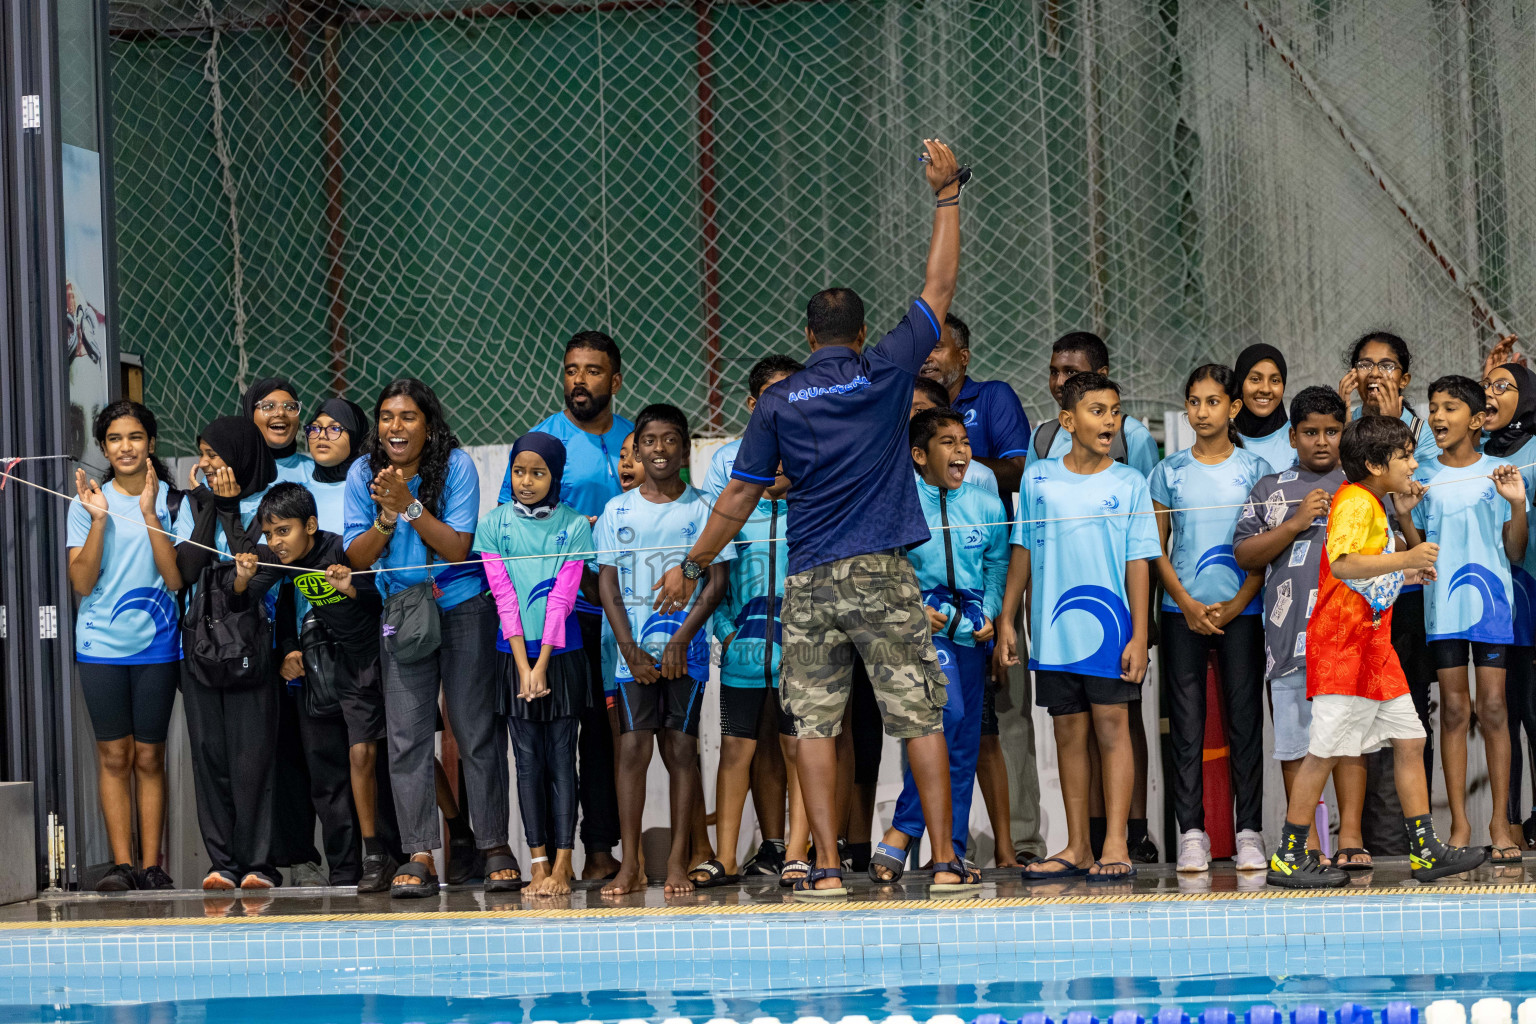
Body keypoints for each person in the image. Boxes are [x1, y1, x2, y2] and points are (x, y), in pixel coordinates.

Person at [655, 137, 979, 898]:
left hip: (808, 582)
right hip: (882, 574)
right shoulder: (887, 369)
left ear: (808, 341)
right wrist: (946, 196)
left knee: (814, 726)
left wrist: (693, 564)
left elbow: (738, 497)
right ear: (861, 335)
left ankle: (826, 867)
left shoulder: (779, 400)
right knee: (920, 719)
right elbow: (938, 287)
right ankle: (945, 863)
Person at [1267, 415, 1486, 887]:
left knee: (1410, 740)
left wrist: (1406, 572)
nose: (1413, 463)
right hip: (1344, 648)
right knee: (1324, 751)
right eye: (1405, 455)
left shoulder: (1374, 503)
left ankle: (1424, 850)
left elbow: (1370, 573)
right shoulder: (1353, 502)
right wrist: (1406, 557)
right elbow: (1344, 565)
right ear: (1374, 464)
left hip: (1374, 649)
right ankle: (1288, 854)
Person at [343, 378, 517, 898]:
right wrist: (386, 516)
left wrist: (411, 505)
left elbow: (459, 548)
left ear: (429, 424)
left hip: (462, 606)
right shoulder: (362, 473)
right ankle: (419, 853)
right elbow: (357, 559)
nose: (395, 427)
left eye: (408, 416)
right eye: (387, 417)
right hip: (402, 611)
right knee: (406, 738)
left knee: (475, 730)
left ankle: (492, 845)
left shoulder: (457, 466)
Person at [996, 371, 1160, 881]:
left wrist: (1140, 635)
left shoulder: (1129, 483)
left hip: (1110, 631)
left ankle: (1116, 843)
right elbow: (1022, 549)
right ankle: (1078, 846)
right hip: (1053, 633)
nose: (1110, 421)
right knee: (1068, 734)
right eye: (1097, 411)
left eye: (1115, 412)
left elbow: (1139, 562)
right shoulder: (1039, 478)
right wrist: (1007, 619)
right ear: (1068, 421)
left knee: (1113, 731)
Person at [500, 332, 631, 880]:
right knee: (556, 738)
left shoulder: (635, 438)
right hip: (562, 614)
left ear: (615, 380)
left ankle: (599, 848)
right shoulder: (544, 440)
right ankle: (555, 857)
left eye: (593, 371)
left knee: (606, 733)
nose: (579, 380)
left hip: (626, 610)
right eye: (572, 369)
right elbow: (512, 526)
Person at [594, 403, 735, 896]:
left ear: (685, 448)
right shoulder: (617, 511)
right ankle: (631, 864)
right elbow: (607, 584)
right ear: (635, 449)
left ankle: (678, 860)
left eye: (670, 440)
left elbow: (717, 583)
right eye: (649, 441)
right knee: (633, 749)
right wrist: (629, 648)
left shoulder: (705, 509)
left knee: (680, 750)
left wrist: (681, 640)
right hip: (632, 656)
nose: (659, 449)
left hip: (686, 654)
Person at [228, 483, 397, 890]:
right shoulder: (281, 561)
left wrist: (350, 587)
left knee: (388, 761)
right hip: (326, 673)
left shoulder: (340, 549)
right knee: (330, 774)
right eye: (269, 534)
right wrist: (242, 579)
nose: (275, 542)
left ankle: (399, 853)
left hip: (373, 665)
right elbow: (240, 603)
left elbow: (379, 602)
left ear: (310, 525)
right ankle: (347, 870)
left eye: (283, 531)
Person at [1233, 387, 1371, 868]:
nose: (1321, 441)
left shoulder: (1360, 487)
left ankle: (1351, 839)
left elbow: (1386, 552)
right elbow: (1244, 553)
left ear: (1344, 433)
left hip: (1348, 638)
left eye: (1332, 431)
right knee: (1295, 745)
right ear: (1292, 436)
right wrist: (1293, 524)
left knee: (1350, 742)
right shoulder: (1269, 489)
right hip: (1288, 640)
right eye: (1310, 432)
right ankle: (1307, 843)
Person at [868, 407, 1007, 881]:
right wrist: (912, 609)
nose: (961, 450)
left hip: (970, 633)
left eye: (964, 441)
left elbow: (997, 564)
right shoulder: (899, 503)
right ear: (919, 455)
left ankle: (951, 852)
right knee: (947, 718)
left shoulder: (986, 504)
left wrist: (990, 612)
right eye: (948, 442)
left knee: (964, 746)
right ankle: (905, 829)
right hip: (922, 633)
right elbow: (882, 568)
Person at [1151, 363, 1272, 873]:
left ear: (1233, 408)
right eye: (1195, 402)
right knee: (1187, 726)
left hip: (1243, 610)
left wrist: (1241, 601)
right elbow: (1155, 548)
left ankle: (1249, 833)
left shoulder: (1256, 468)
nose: (1203, 412)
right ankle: (1192, 834)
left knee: (1245, 723)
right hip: (1182, 613)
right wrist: (1184, 601)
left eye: (1214, 401)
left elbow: (1265, 545)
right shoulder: (1168, 472)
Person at [1401, 374, 1527, 862]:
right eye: (1433, 407)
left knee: (1494, 709)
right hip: (1443, 611)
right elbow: (1418, 556)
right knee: (1454, 711)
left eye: (1450, 407)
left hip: (1492, 608)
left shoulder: (1500, 472)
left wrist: (1517, 504)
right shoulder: (1423, 475)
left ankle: (1500, 823)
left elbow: (1515, 551)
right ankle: (1458, 825)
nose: (1437, 416)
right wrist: (1405, 514)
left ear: (1477, 420)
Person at [67, 401, 189, 891]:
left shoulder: (174, 503)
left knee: (149, 758)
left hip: (158, 644)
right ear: (103, 447)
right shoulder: (86, 503)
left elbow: (176, 579)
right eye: (115, 439)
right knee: (115, 757)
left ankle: (152, 865)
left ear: (151, 443)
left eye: (135, 437)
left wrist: (149, 513)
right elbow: (81, 582)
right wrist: (98, 520)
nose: (126, 447)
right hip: (100, 646)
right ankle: (122, 866)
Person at [691, 358, 802, 888]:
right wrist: (724, 629)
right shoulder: (731, 486)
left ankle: (798, 852)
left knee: (799, 749)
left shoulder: (813, 474)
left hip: (804, 647)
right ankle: (728, 857)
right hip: (744, 646)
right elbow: (718, 562)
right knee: (737, 746)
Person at [474, 432, 596, 897]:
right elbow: (503, 596)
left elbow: (563, 598)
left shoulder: (575, 526)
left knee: (562, 759)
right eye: (519, 472)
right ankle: (539, 863)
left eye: (538, 473)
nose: (526, 482)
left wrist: (541, 663)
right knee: (526, 761)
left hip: (561, 655)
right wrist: (524, 666)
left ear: (555, 477)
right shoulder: (494, 525)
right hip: (514, 656)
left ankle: (565, 863)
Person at [175, 416, 280, 889]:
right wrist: (210, 505)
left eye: (214, 454)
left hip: (253, 646)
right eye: (202, 454)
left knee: (252, 759)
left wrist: (231, 509)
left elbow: (256, 570)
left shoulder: (271, 503)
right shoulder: (192, 503)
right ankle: (222, 862)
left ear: (240, 455)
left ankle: (258, 863)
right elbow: (186, 568)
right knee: (209, 756)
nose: (206, 463)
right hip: (200, 646)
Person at [1338, 333, 1438, 789]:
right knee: (1355, 714)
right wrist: (1343, 420)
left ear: (1405, 377)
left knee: (1410, 710)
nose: (1375, 373)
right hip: (1355, 594)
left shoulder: (1423, 432)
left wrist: (1396, 427)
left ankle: (1415, 821)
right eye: (1365, 364)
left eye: (1387, 365)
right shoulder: (1344, 426)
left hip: (1407, 592)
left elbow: (1419, 495)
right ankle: (1366, 824)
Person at [243, 377, 321, 882]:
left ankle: (307, 857)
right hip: (250, 636)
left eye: (289, 405)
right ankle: (261, 860)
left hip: (305, 628)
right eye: (267, 405)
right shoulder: (233, 475)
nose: (279, 414)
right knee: (259, 754)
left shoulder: (314, 470)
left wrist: (293, 642)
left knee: (306, 750)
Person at [1481, 358, 1536, 839]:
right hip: (1495, 598)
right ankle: (1512, 822)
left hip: (1531, 587)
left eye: (1503, 386)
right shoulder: (1475, 451)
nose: (1491, 393)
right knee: (1504, 712)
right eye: (1486, 385)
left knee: (1534, 712)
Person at [918, 312, 1030, 499]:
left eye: (936, 348)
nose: (926, 357)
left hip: (982, 517)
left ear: (963, 357)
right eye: (920, 349)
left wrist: (944, 460)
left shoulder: (993, 396)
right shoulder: (908, 408)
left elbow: (1020, 473)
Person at [1027, 332, 1160, 477]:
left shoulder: (1131, 435)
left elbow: (1147, 491)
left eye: (1071, 372)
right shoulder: (1042, 438)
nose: (1059, 382)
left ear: (1102, 375)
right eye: (1054, 372)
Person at [1233, 344, 1294, 474]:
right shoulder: (1223, 439)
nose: (1265, 389)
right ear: (1240, 383)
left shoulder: (1299, 437)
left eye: (1275, 380)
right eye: (1255, 379)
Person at [244, 377, 316, 485]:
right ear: (250, 414)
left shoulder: (318, 472)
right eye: (268, 406)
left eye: (290, 407)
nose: (281, 413)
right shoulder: (230, 475)